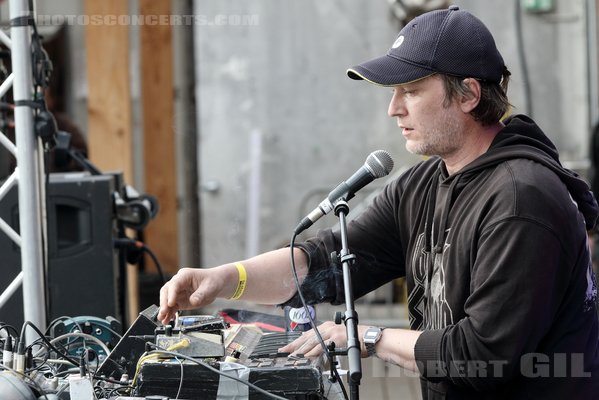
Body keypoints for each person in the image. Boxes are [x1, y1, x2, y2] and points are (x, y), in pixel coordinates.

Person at [159, 6, 599, 399]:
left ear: (468, 94)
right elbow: (328, 262)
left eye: (410, 90)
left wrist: (362, 336)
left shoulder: (522, 200)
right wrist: (223, 280)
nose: (393, 108)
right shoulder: (425, 183)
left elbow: (482, 355)